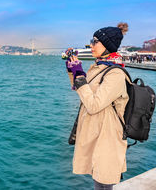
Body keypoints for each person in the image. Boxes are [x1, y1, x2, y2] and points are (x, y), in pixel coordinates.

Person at [66, 22, 130, 190]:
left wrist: (80, 76)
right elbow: (82, 92)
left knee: (104, 181)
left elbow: (93, 104)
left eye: (95, 41)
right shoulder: (99, 67)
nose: (91, 45)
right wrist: (73, 72)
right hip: (96, 131)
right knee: (98, 179)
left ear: (107, 45)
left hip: (107, 135)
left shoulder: (115, 74)